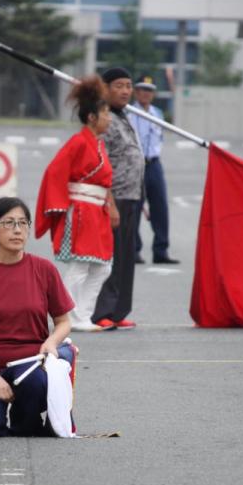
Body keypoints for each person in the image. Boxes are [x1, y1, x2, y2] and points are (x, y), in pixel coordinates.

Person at [0, 196, 75, 436]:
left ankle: (26, 416)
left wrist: (51, 342)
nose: (17, 230)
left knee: (28, 423)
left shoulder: (44, 269)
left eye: (22, 223)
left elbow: (64, 322)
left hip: (31, 365)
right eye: (8, 223)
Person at [35, 74, 117, 331]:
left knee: (102, 268)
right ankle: (67, 316)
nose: (109, 118)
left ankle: (82, 315)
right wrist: (61, 204)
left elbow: (104, 182)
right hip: (82, 211)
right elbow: (54, 172)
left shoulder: (97, 144)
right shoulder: (78, 142)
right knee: (80, 266)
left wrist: (110, 206)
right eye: (105, 114)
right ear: (92, 117)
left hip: (97, 210)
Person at [90, 66, 145, 330]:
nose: (125, 91)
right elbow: (102, 164)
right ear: (105, 89)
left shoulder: (124, 116)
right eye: (119, 86)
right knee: (110, 257)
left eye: (128, 86)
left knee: (126, 257)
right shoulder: (105, 119)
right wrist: (109, 202)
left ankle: (119, 310)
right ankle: (102, 311)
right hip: (115, 197)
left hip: (132, 196)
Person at [127, 75, 180, 266]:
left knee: (160, 207)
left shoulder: (157, 113)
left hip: (154, 163)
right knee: (134, 207)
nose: (146, 93)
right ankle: (134, 250)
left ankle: (161, 250)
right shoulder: (128, 113)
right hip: (135, 164)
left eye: (149, 90)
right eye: (142, 89)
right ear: (136, 92)